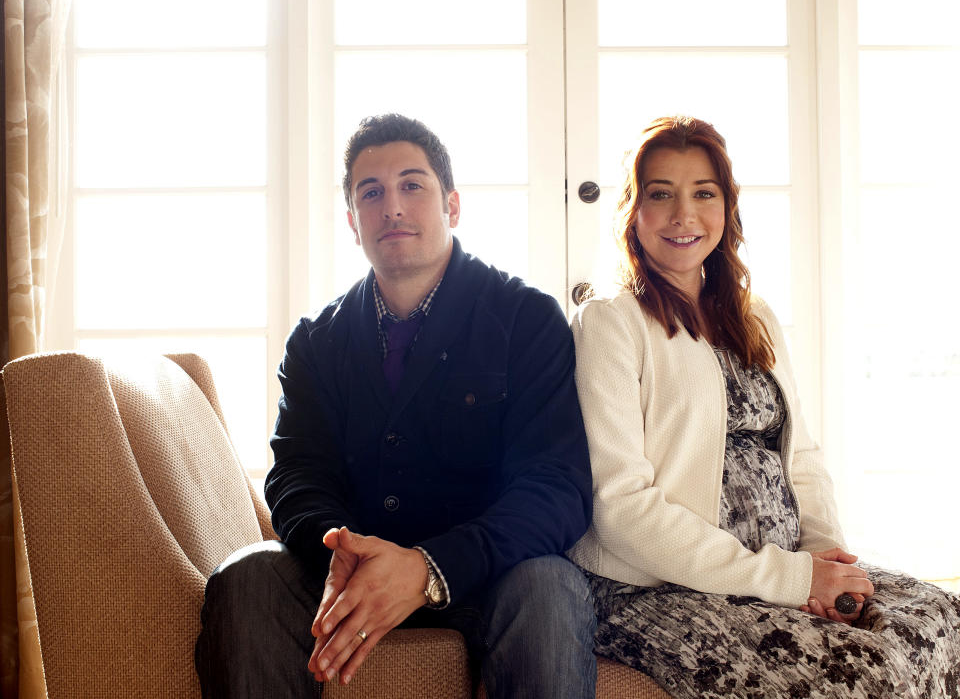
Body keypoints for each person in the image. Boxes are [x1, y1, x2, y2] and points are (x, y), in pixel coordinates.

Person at [194, 113, 597, 698]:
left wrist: (430, 568)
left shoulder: (525, 319)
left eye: (413, 185)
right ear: (353, 220)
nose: (393, 207)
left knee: (550, 585)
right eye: (371, 192)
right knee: (248, 577)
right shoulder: (315, 341)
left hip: (487, 580)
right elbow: (297, 475)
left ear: (452, 205)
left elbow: (557, 488)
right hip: (349, 573)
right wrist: (342, 553)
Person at [568, 115, 960, 698]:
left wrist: (822, 552)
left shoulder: (753, 317)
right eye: (661, 195)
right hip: (656, 585)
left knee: (941, 618)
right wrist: (790, 579)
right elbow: (620, 507)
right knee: (864, 672)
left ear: (727, 207)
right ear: (633, 211)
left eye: (704, 193)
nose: (684, 215)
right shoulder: (610, 321)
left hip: (780, 563)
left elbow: (799, 454)